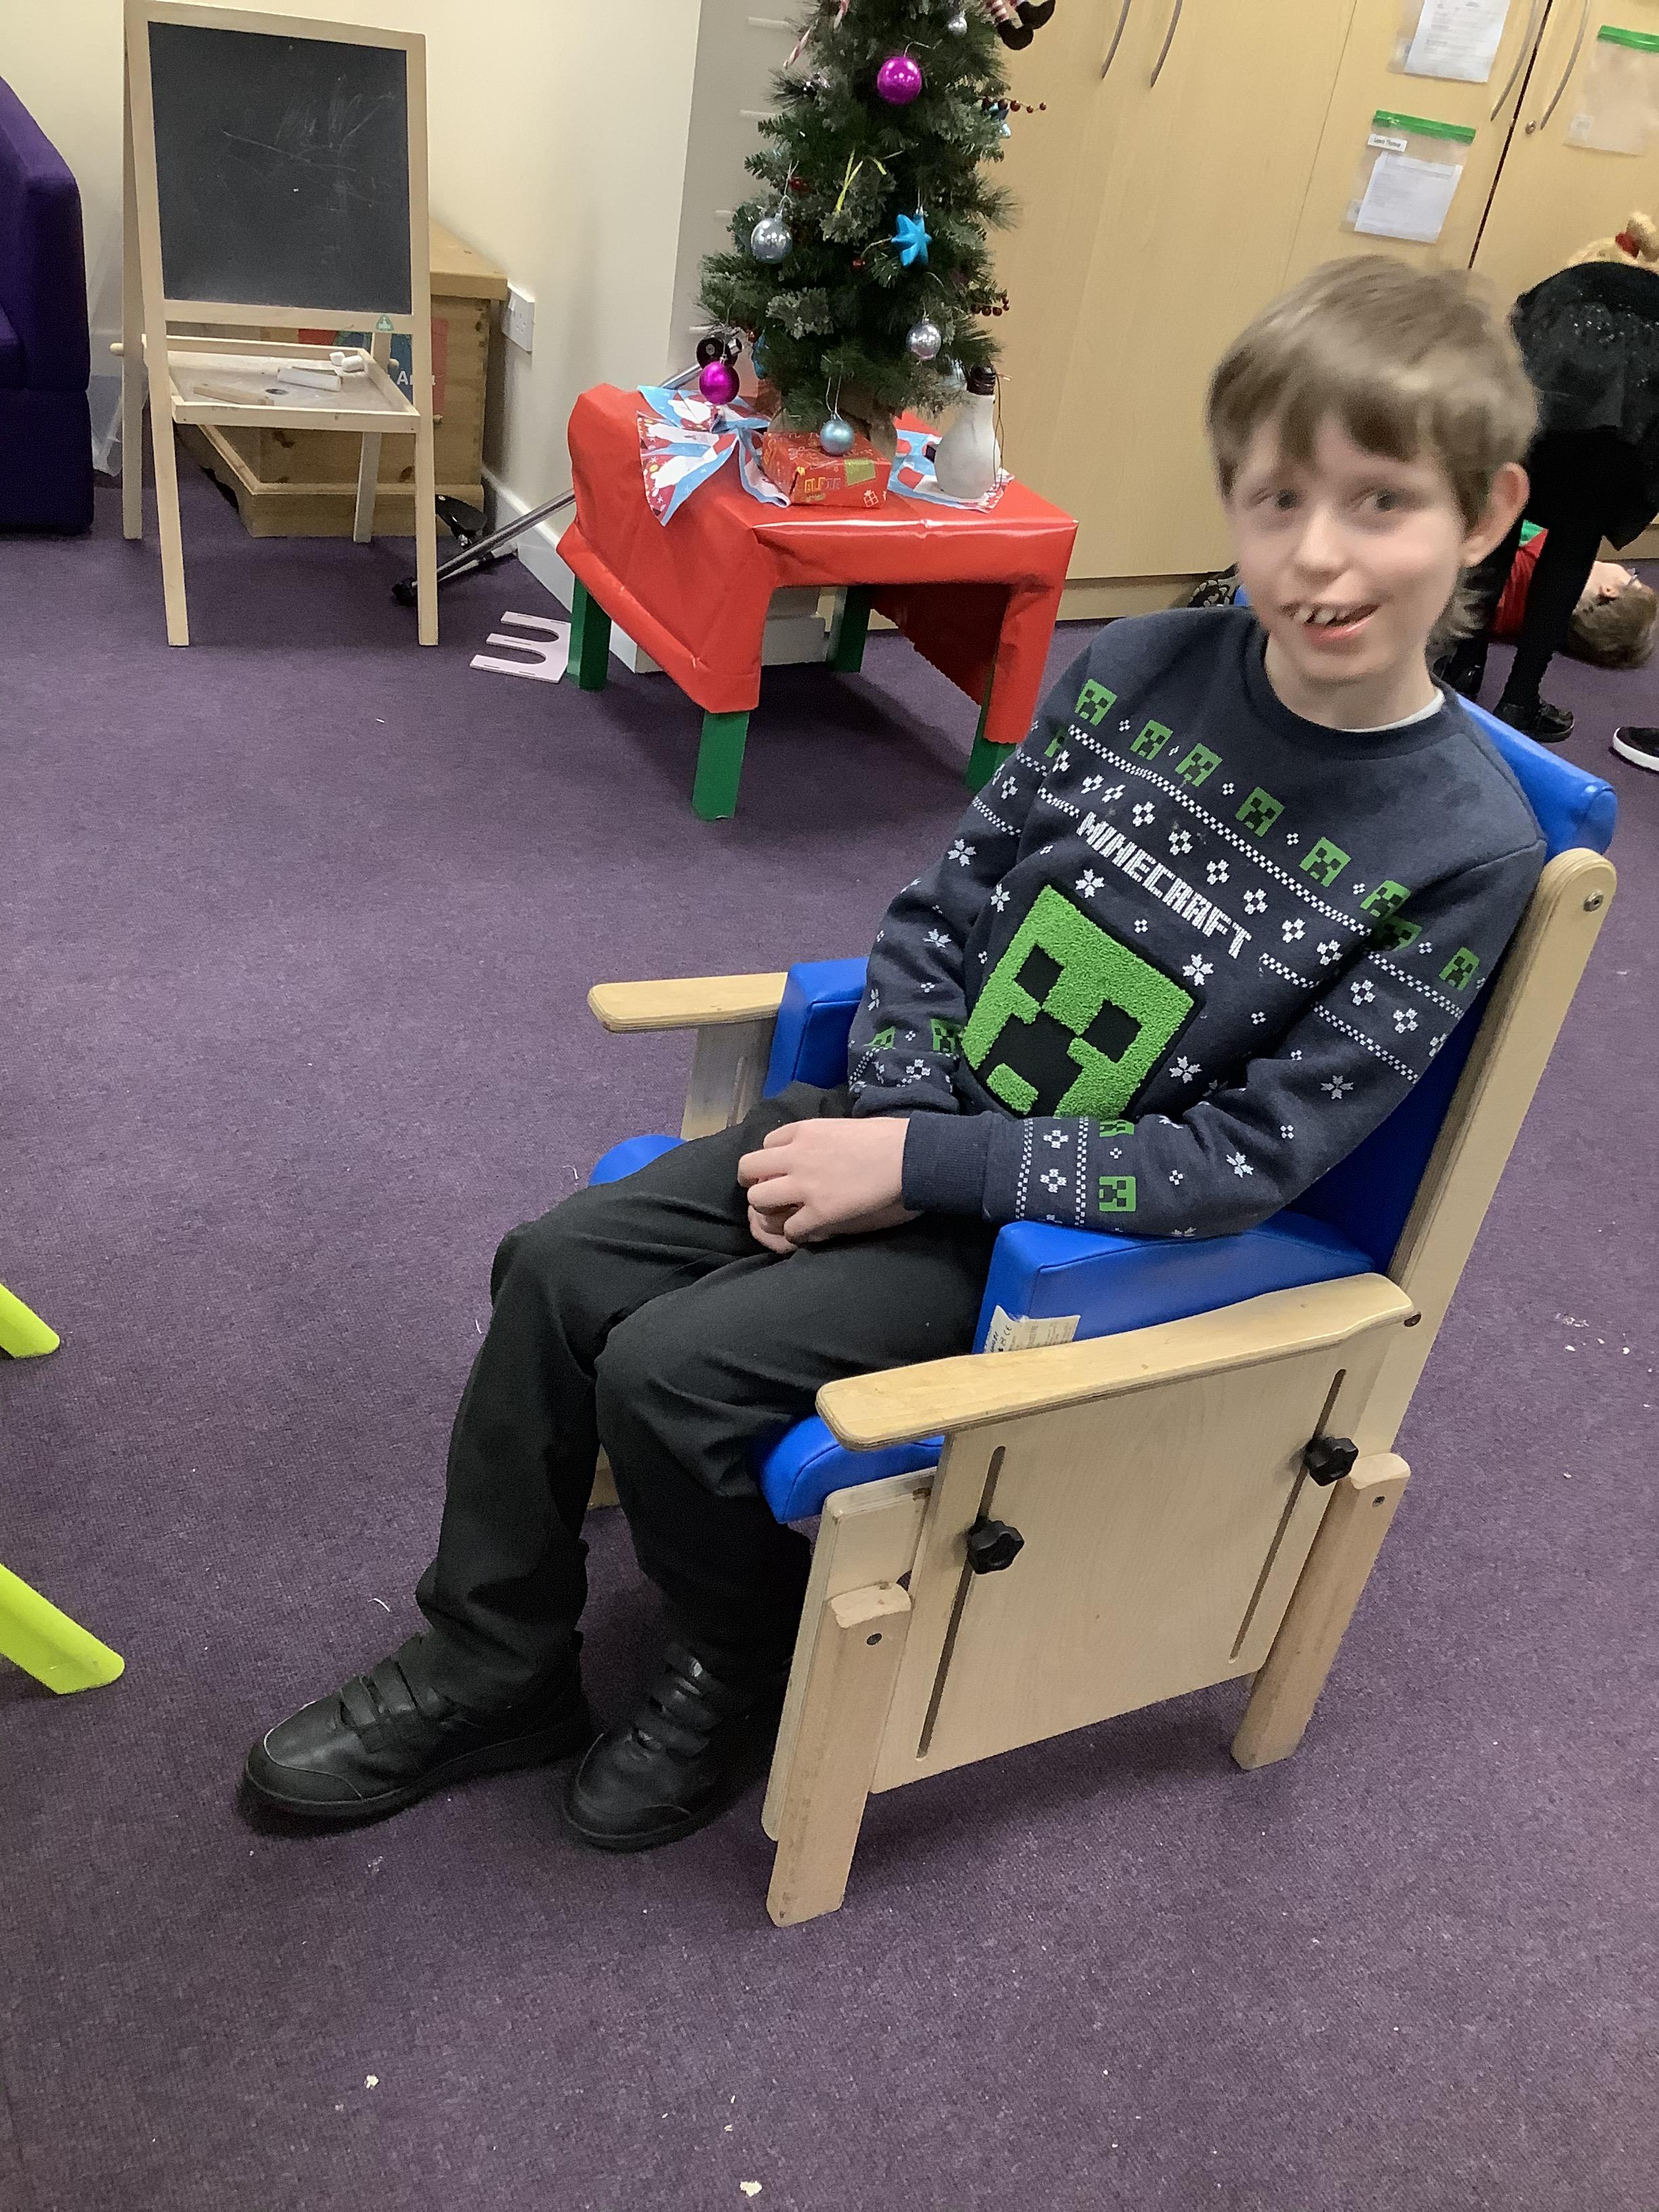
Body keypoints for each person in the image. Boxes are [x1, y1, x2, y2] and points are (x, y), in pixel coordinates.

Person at [243, 256, 1545, 1852]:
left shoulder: (1466, 847)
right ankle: (493, 1659)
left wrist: (918, 1167)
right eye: (1276, 499)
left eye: (1380, 504)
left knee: (670, 1373)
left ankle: (733, 1657)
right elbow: (939, 915)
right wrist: (895, 1119)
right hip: (902, 1127)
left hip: (1059, 1249)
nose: (1316, 555)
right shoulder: (1137, 668)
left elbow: (1237, 1164)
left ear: (1485, 514)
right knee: (556, 1266)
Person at [1437, 211, 1659, 741]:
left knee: (1503, 530)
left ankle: (1465, 665)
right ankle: (1521, 699)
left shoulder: (1563, 286)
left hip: (1540, 419)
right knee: (1571, 551)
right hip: (1617, 445)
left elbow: (1507, 354)